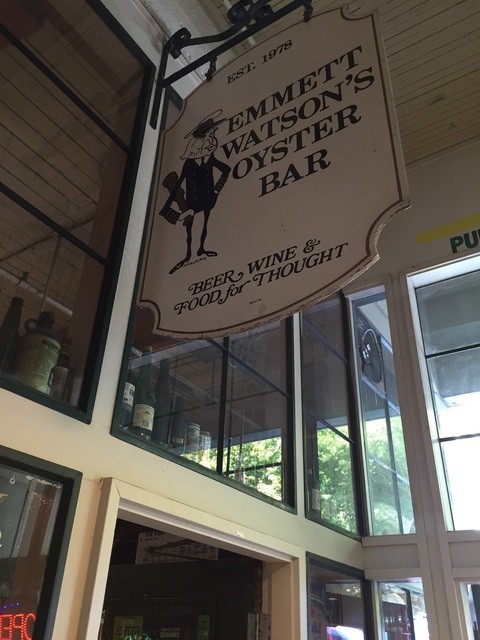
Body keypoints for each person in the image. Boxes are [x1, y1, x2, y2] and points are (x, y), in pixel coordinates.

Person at [160, 109, 231, 274]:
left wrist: (216, 191)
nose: (212, 141)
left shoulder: (210, 158)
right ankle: (188, 256)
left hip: (208, 200)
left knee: (205, 224)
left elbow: (226, 170)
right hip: (191, 204)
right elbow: (177, 186)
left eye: (213, 136)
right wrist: (177, 214)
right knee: (190, 230)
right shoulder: (189, 164)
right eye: (209, 137)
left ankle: (201, 249)